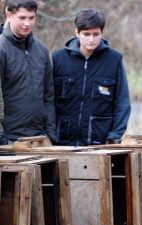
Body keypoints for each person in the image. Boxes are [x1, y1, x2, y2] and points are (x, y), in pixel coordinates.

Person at [52, 8, 131, 146]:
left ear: (102, 32)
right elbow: (48, 100)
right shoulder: (58, 59)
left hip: (100, 142)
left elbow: (122, 102)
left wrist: (115, 135)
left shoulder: (114, 60)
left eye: (96, 34)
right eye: (86, 34)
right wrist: (49, 133)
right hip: (62, 141)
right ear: (77, 32)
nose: (91, 39)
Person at [0, 0, 55, 142]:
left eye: (31, 18)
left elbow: (48, 95)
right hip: (9, 139)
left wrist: (50, 134)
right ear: (9, 15)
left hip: (40, 139)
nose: (27, 24)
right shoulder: (1, 48)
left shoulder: (41, 51)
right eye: (22, 18)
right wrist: (2, 138)